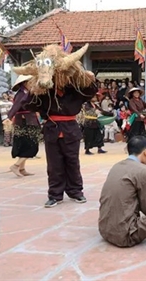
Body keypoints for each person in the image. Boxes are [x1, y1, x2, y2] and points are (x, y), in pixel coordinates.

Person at [33, 72, 98, 208]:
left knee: (73, 162)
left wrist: (90, 78)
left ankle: (76, 191)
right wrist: (32, 86)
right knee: (54, 165)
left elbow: (91, 91)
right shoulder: (45, 91)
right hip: (52, 129)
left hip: (71, 130)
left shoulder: (75, 91)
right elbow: (31, 105)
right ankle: (55, 195)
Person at [5, 75, 41, 177]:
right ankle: (16, 166)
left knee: (25, 144)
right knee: (31, 145)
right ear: (25, 83)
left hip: (29, 120)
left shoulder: (27, 93)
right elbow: (16, 106)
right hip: (25, 122)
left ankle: (22, 168)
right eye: (31, 82)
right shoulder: (21, 94)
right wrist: (9, 117)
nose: (32, 84)